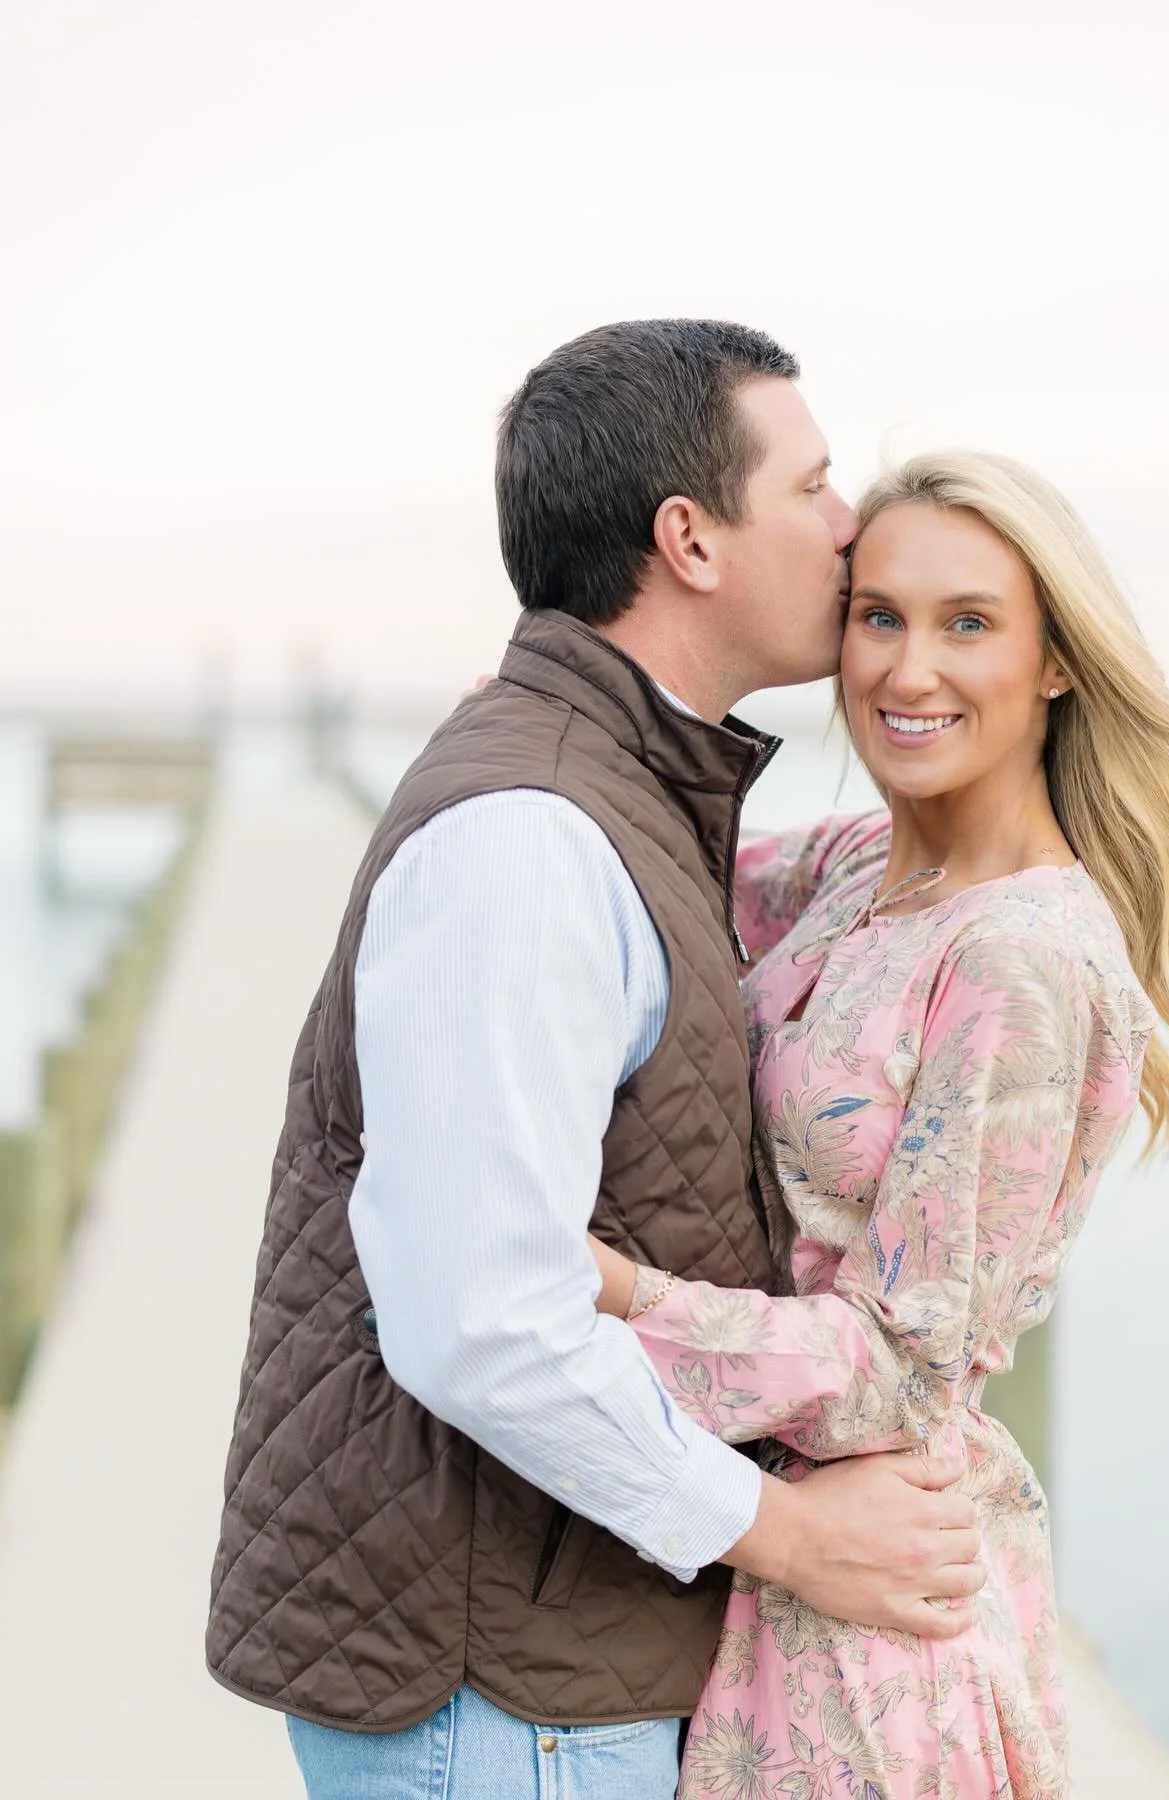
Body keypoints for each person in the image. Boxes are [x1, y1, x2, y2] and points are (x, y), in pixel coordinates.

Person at [205, 321, 987, 1800]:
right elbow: (482, 1315)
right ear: (690, 538)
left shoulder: (627, 787)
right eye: (813, 487)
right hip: (499, 1698)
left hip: (539, 1674)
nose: (850, 529)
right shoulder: (533, 838)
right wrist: (794, 1539)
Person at [587, 451, 1169, 1799]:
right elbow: (623, 856)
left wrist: (604, 1294)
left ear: (1057, 661)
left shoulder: (1026, 956)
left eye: (968, 623)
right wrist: (547, 732)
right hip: (758, 1565)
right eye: (878, 616)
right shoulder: (852, 871)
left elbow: (903, 1368)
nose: (908, 670)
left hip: (870, 1640)